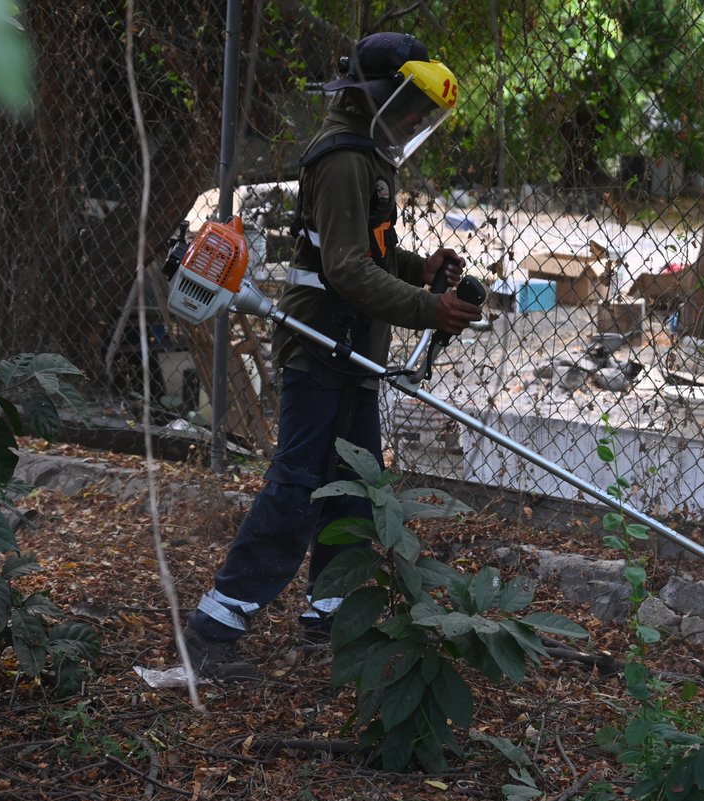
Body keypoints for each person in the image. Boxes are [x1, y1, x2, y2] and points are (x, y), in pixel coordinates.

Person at [183, 32, 482, 681]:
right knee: (298, 484)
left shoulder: (369, 157)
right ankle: (215, 623)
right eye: (407, 108)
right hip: (321, 345)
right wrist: (429, 308)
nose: (411, 123)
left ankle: (332, 612)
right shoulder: (345, 159)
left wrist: (417, 268)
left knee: (356, 487)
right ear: (375, 97)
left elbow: (362, 255)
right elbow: (344, 271)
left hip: (353, 350)